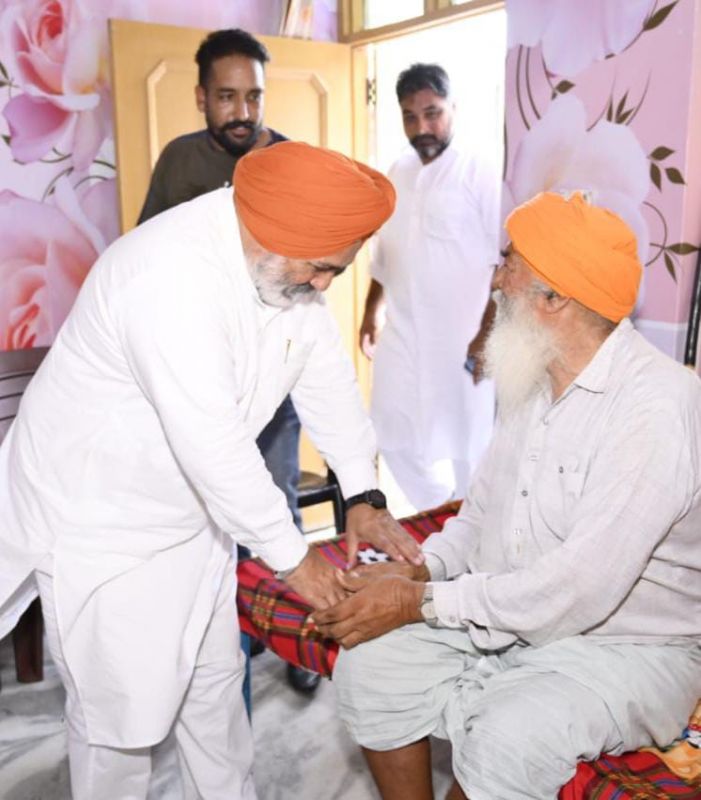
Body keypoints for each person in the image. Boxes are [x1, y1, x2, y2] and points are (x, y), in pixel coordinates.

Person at [0, 141, 424, 800]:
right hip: (103, 523)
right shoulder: (166, 277)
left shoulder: (280, 266)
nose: (321, 286)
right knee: (121, 723)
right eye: (320, 269)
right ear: (276, 233)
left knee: (215, 700)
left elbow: (322, 371)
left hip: (193, 519)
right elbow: (214, 444)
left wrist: (361, 492)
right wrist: (295, 561)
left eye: (334, 274)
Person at [317, 191, 701, 800]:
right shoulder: (536, 375)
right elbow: (477, 518)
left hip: (626, 644)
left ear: (553, 301)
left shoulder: (657, 409)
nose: (495, 277)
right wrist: (419, 571)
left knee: (504, 737)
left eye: (508, 262)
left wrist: (419, 604)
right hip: (511, 610)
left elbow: (579, 588)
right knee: (371, 670)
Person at [138, 28, 309, 686]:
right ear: (201, 98)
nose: (242, 112)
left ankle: (298, 647)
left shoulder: (292, 159)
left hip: (274, 384)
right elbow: (148, 256)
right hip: (199, 385)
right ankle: (232, 642)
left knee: (279, 510)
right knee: (213, 525)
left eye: (254, 97)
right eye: (227, 97)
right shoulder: (180, 162)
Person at [359, 63, 499, 511]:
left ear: (453, 108)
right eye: (409, 116)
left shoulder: (477, 171)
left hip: (463, 339)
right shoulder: (396, 171)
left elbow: (507, 260)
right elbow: (386, 254)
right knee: (388, 431)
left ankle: (471, 541)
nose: (422, 127)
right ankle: (441, 516)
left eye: (432, 113)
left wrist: (487, 334)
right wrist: (370, 312)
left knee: (468, 448)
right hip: (402, 333)